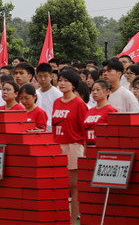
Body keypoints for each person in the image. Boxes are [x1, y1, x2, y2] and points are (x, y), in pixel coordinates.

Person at [51, 69, 88, 225]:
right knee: (58, 185)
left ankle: (73, 220)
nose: (62, 83)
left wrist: (85, 154)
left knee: (73, 187)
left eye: (66, 80)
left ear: (74, 84)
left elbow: (85, 131)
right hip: (57, 146)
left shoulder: (79, 104)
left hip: (74, 147)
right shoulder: (57, 102)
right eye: (60, 80)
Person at [83, 80, 116, 145]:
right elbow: (85, 135)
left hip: (103, 146)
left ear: (108, 92)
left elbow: (114, 134)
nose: (94, 92)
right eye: (93, 90)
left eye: (98, 90)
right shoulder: (90, 110)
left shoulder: (111, 110)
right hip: (89, 145)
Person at [35, 63, 62, 131]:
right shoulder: (35, 93)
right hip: (36, 128)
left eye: (46, 76)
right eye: (40, 76)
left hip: (50, 128)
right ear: (37, 77)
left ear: (51, 77)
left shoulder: (57, 94)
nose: (43, 79)